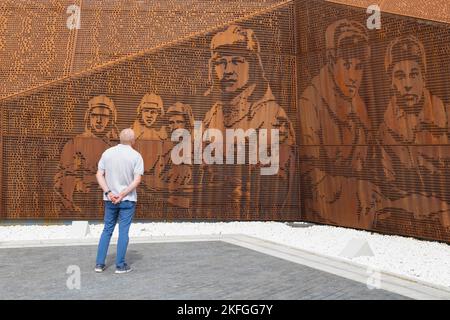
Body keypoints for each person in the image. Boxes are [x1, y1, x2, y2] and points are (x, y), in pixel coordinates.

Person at [202, 24, 296, 217]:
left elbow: (275, 185)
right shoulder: (212, 114)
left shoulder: (271, 114)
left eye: (237, 61)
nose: (227, 70)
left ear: (253, 65)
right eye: (221, 62)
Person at [298, 19, 382, 229]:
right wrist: (356, 191)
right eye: (346, 65)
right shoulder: (310, 102)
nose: (353, 76)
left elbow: (371, 161)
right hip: (327, 209)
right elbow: (309, 174)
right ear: (331, 61)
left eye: (359, 67)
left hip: (363, 206)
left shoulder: (359, 106)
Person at [378, 35, 450, 230]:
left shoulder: (446, 119)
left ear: (424, 78)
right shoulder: (385, 132)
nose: (407, 84)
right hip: (409, 223)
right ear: (391, 82)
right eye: (400, 76)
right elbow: (389, 186)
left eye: (414, 74)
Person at [54, 95, 119, 213]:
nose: (99, 120)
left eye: (104, 116)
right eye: (94, 115)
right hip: (79, 204)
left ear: (111, 119)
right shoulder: (74, 144)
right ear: (88, 117)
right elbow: (63, 178)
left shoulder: (115, 147)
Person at [94, 128, 144, 274]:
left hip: (110, 199)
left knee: (107, 230)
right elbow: (137, 180)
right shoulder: (136, 156)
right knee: (123, 231)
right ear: (133, 140)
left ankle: (99, 264)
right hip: (127, 200)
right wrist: (122, 194)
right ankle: (120, 266)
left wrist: (109, 192)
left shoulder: (107, 153)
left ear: (120, 139)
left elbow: (99, 174)